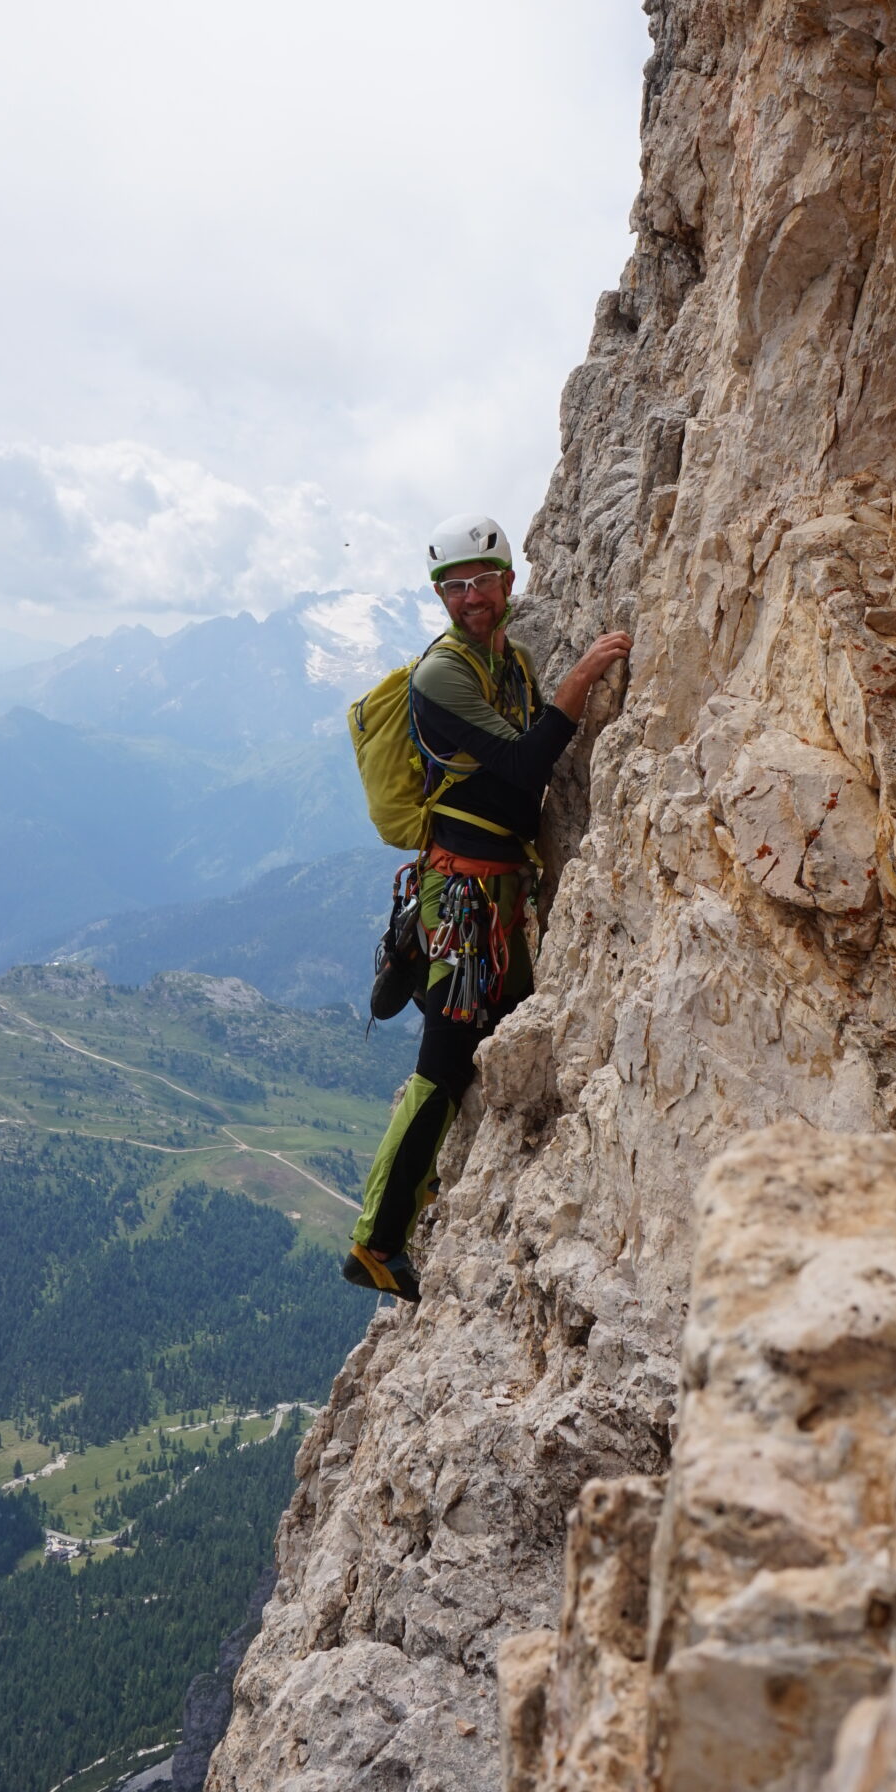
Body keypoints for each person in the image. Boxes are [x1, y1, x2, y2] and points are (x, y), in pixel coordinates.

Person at [343, 516, 630, 1302]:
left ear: (507, 581)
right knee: (441, 1061)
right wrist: (581, 682)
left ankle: (430, 1185)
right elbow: (521, 763)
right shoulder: (443, 677)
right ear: (441, 596)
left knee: (504, 1033)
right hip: (461, 899)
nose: (471, 598)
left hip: (494, 895)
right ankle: (375, 1239)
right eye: (455, 587)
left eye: (482, 581)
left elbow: (522, 777)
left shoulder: (511, 664)